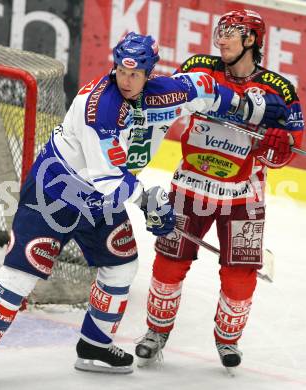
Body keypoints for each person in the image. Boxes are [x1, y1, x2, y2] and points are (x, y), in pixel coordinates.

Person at [0, 31, 286, 385]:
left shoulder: (167, 92)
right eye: (121, 71)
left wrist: (254, 109)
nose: (126, 80)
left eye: (135, 74)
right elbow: (109, 176)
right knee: (21, 275)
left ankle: (94, 344)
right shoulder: (99, 106)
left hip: (102, 199)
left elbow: (206, 89)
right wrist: (151, 204)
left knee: (121, 266)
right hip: (55, 193)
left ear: (149, 74)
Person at [135, 10, 304, 372]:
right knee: (169, 261)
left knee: (239, 273)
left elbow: (291, 146)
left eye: (231, 33)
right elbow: (168, 99)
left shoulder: (280, 88)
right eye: (220, 31)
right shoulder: (198, 67)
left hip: (245, 195)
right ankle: (155, 333)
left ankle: (227, 339)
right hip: (190, 186)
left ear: (251, 41)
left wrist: (279, 143)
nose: (221, 39)